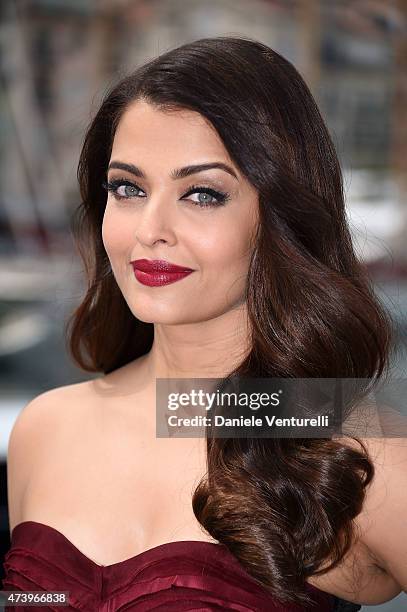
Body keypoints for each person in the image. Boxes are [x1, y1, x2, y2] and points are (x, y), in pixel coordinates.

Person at [2, 36, 406, 611]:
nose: (151, 228)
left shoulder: (358, 455)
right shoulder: (43, 429)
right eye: (128, 188)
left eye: (203, 194)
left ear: (281, 218)